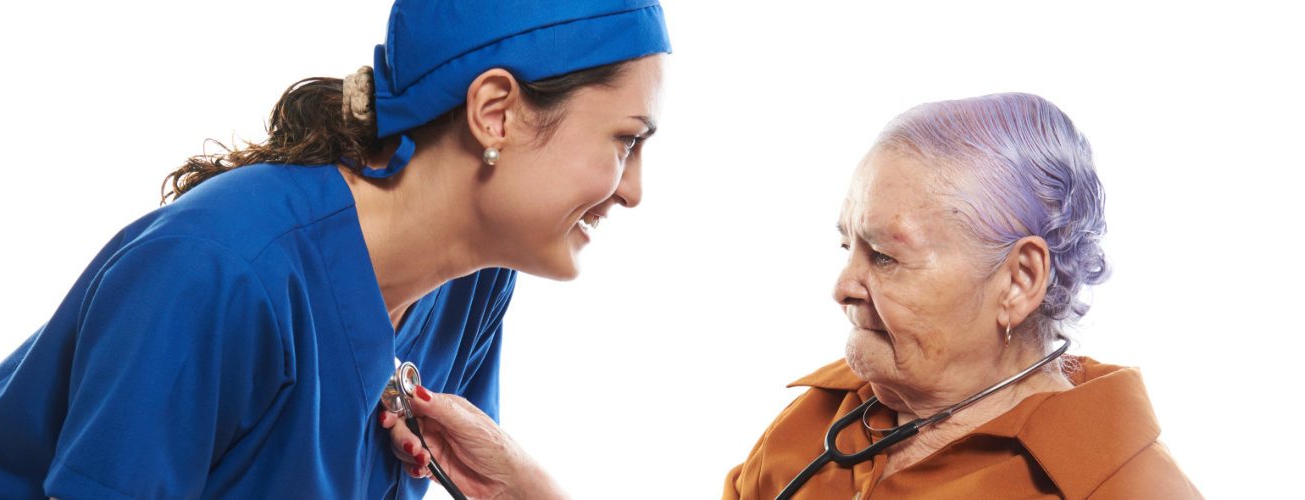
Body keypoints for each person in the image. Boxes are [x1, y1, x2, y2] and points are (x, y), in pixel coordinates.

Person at [0, 0, 670, 498]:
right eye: (625, 142)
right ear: (495, 112)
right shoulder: (221, 272)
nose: (632, 190)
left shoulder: (471, 282)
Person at [386, 93, 1201, 499]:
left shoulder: (1122, 485)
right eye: (848, 244)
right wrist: (521, 488)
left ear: (1018, 281)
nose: (844, 285)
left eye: (885, 257)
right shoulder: (825, 419)